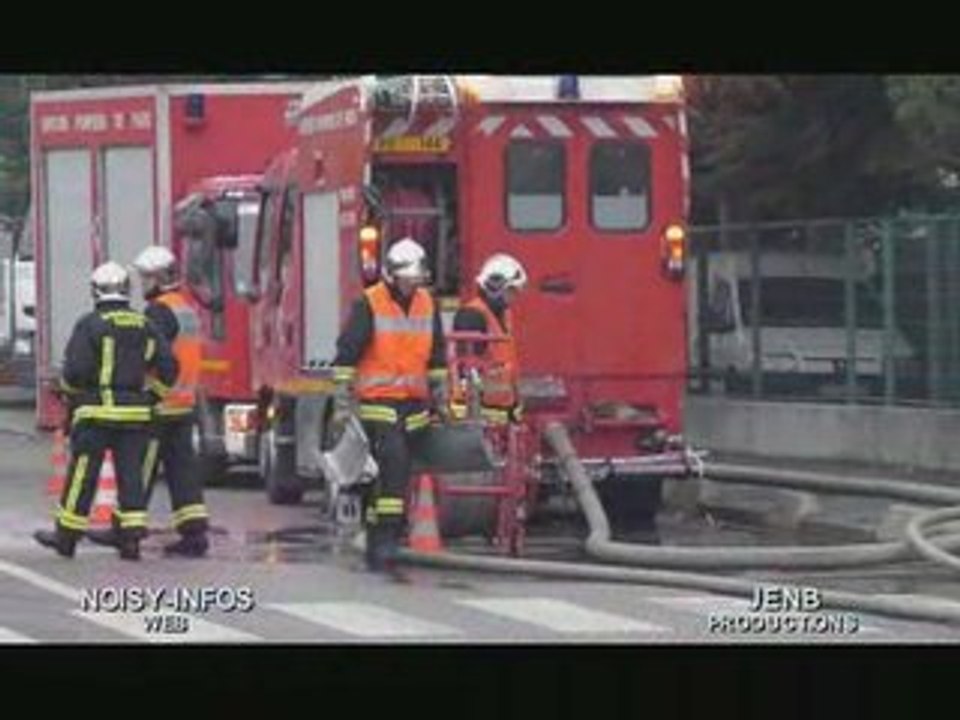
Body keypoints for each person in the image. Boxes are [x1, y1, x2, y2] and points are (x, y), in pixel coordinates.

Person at [34, 261, 177, 561]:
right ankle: (130, 540)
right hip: (135, 417)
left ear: (95, 290)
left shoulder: (89, 324)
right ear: (126, 289)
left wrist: (70, 396)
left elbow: (75, 372)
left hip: (95, 415)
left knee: (83, 475)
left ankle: (67, 537)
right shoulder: (145, 324)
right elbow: (168, 368)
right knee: (131, 477)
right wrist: (151, 398)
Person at [330, 237, 447, 572]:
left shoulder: (427, 303)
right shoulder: (370, 304)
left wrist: (441, 396)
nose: (413, 284)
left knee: (393, 474)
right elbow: (346, 354)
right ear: (393, 276)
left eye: (417, 278)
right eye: (408, 278)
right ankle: (385, 542)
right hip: (378, 404)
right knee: (393, 468)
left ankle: (377, 532)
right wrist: (341, 403)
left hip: (415, 403)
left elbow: (436, 355)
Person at [451, 253, 528, 425]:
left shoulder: (503, 315)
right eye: (511, 291)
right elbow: (468, 370)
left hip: (499, 415)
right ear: (496, 287)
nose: (514, 297)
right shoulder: (472, 316)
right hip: (479, 415)